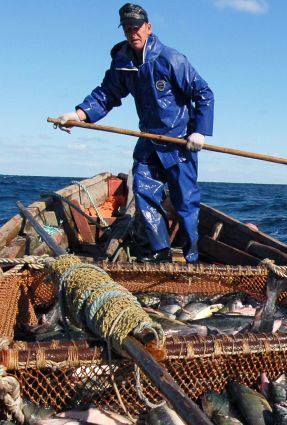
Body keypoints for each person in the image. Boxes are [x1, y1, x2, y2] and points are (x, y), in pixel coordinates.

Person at [54, 3, 214, 263]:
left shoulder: (172, 60)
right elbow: (107, 94)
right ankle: (161, 255)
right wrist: (79, 115)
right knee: (143, 192)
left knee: (185, 203)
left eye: (137, 27)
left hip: (179, 143)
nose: (133, 33)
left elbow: (204, 94)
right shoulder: (122, 61)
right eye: (127, 28)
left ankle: (192, 258)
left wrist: (199, 132)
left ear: (148, 28)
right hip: (149, 141)